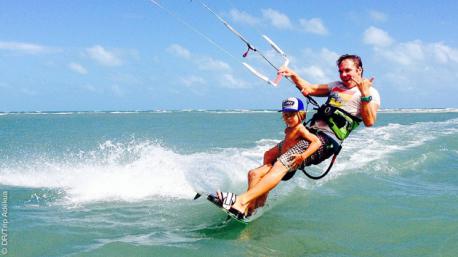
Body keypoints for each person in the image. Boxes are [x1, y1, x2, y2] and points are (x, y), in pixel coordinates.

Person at [217, 54, 381, 219]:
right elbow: (309, 88)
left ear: (359, 69)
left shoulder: (370, 92)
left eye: (348, 70)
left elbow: (369, 121)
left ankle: (241, 201)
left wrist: (364, 92)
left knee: (281, 164)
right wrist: (293, 75)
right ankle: (252, 207)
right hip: (309, 133)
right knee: (265, 160)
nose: (344, 75)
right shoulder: (336, 86)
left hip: (326, 140)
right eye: (341, 71)